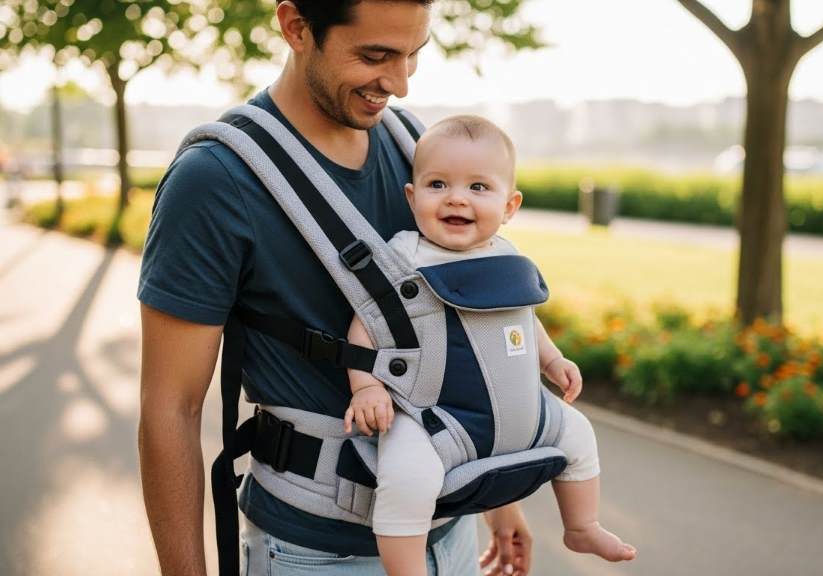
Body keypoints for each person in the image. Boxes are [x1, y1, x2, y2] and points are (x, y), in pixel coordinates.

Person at [138, 1, 533, 574]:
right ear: (296, 27)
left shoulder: (415, 147)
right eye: (375, 56)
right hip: (318, 553)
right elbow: (170, 409)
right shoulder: (214, 181)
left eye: (412, 55)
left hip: (451, 531)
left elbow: (464, 330)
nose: (398, 83)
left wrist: (498, 500)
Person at [343, 115, 637, 576]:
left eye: (478, 187)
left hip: (523, 413)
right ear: (412, 197)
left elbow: (523, 318)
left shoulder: (507, 256)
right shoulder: (403, 256)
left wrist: (552, 360)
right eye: (438, 184)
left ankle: (582, 525)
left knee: (578, 432)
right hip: (434, 421)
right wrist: (366, 388)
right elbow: (364, 328)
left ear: (509, 205)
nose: (456, 198)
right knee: (405, 477)